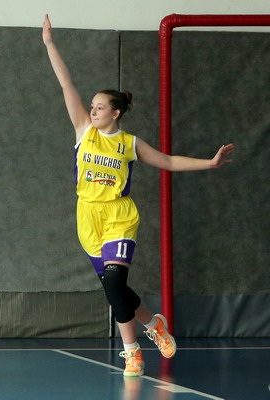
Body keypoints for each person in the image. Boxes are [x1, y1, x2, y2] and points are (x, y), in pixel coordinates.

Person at [42, 15, 234, 377]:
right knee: (115, 290)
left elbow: (169, 161)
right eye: (92, 106)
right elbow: (66, 83)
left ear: (115, 113)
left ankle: (132, 352)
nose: (93, 110)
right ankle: (153, 324)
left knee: (115, 284)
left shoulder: (129, 144)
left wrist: (209, 163)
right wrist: (50, 44)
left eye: (100, 107)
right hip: (88, 216)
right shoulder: (84, 131)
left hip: (119, 216)